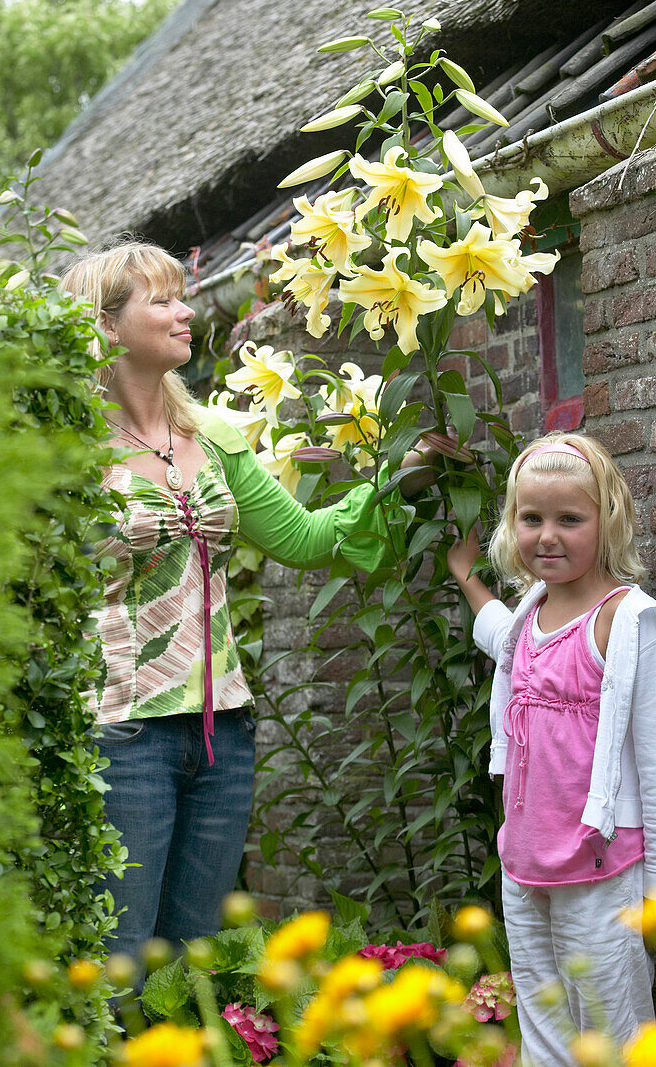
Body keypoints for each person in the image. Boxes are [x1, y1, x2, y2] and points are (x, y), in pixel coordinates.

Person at [60, 241, 433, 959]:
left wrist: (400, 475)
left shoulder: (214, 437)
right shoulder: (67, 448)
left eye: (182, 296)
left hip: (221, 733)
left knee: (194, 958)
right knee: (120, 959)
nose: (185, 311)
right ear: (107, 326)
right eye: (162, 300)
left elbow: (303, 539)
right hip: (119, 733)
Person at [447, 433, 656, 1066]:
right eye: (531, 519)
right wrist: (467, 580)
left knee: (613, 1031)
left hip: (600, 864)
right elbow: (499, 636)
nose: (547, 536)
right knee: (543, 1023)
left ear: (607, 522)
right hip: (525, 860)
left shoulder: (634, 622)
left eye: (569, 519)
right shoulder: (530, 616)